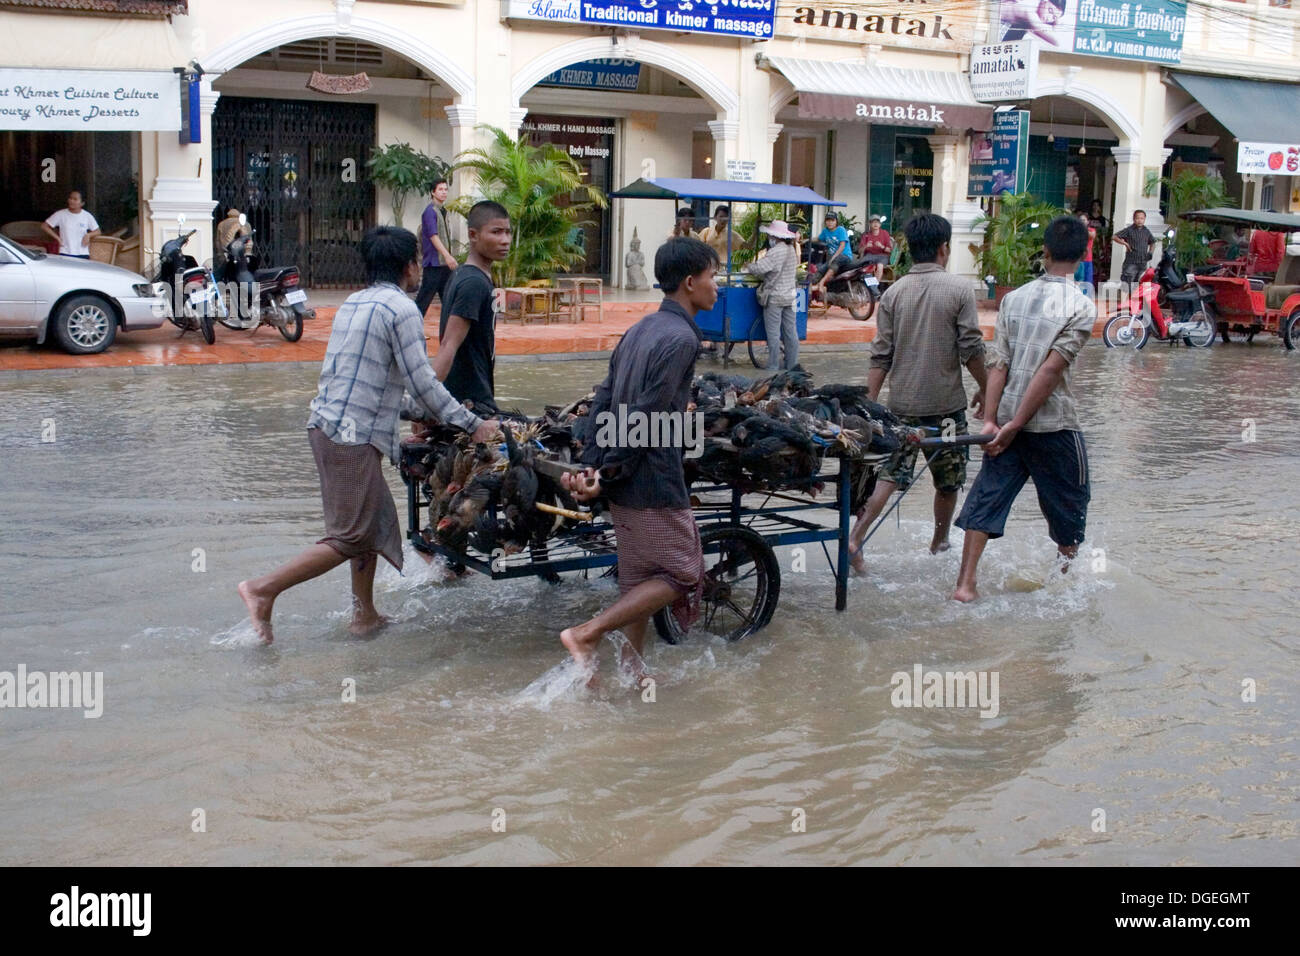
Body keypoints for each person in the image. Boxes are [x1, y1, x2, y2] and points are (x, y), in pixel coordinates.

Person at [237, 227, 500, 644]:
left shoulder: (354, 302)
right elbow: (426, 384)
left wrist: (425, 415)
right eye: (417, 260)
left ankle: (365, 615)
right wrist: (473, 424)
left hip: (328, 427)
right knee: (351, 535)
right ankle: (263, 590)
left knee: (372, 520)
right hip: (350, 437)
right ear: (411, 265)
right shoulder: (401, 309)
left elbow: (371, 383)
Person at [559, 236, 716, 678]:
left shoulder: (640, 328)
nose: (716, 287)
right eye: (712, 277)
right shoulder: (682, 337)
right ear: (690, 282)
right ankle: (587, 633)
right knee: (684, 572)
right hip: (651, 475)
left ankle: (633, 668)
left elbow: (603, 398)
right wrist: (608, 470)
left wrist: (594, 463)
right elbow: (649, 416)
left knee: (638, 575)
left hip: (623, 470)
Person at [952, 215, 1095, 603]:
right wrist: (1012, 423)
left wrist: (992, 421)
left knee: (986, 497)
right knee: (1070, 504)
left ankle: (966, 584)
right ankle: (1063, 580)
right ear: (1083, 255)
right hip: (1054, 425)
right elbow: (1051, 370)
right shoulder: (1081, 306)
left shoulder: (1013, 300)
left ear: (1044, 252)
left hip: (1005, 427)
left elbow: (998, 363)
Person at [847, 214, 987, 574]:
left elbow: (882, 354)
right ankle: (940, 541)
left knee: (892, 474)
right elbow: (971, 349)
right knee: (949, 480)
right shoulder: (959, 290)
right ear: (944, 248)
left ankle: (857, 537)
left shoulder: (893, 292)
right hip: (947, 410)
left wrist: (870, 403)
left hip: (901, 406)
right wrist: (989, 392)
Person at [434, 200, 511, 415]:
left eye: (507, 232)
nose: (505, 240)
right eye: (496, 232)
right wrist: (427, 404)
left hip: (470, 398)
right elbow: (448, 344)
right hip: (469, 403)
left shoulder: (463, 274)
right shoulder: (473, 283)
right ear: (473, 235)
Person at [745, 220, 800, 370]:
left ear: (775, 236)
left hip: (775, 298)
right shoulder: (791, 249)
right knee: (791, 332)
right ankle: (792, 365)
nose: (769, 238)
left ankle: (773, 365)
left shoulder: (776, 251)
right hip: (790, 297)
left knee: (774, 334)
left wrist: (748, 265)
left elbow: (759, 269)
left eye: (770, 235)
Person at [415, 178, 457, 319]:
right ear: (433, 192)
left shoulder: (443, 211)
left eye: (446, 189)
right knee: (424, 299)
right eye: (440, 189)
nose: (444, 192)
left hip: (443, 264)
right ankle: (411, 325)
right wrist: (447, 256)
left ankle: (450, 331)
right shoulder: (430, 212)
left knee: (448, 299)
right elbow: (433, 236)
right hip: (434, 263)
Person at [42, 190, 99, 258]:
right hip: (65, 252)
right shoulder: (60, 214)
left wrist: (88, 235)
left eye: (75, 199)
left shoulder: (87, 216)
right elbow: (44, 226)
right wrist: (58, 238)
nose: (71, 201)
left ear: (82, 203)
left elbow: (98, 231)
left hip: (83, 253)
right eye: (70, 198)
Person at [813, 211, 852, 296]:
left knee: (834, 262)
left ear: (836, 221)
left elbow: (842, 245)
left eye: (832, 220)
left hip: (845, 256)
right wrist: (807, 239)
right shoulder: (825, 231)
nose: (830, 222)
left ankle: (822, 283)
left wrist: (834, 256)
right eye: (828, 220)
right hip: (833, 259)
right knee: (821, 269)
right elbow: (818, 239)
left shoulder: (841, 230)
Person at [1113, 209, 1155, 285]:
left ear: (1144, 219)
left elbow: (1152, 242)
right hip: (1131, 262)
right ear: (1134, 219)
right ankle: (1124, 297)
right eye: (1137, 218)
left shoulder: (1146, 231)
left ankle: (1134, 297)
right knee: (1126, 285)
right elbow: (1114, 237)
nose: (1139, 220)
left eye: (1142, 218)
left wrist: (1151, 252)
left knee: (1140, 285)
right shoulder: (1129, 230)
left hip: (1143, 262)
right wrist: (1125, 243)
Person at [999, 0, 1066, 46]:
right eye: (1050, 10)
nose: (1049, 18)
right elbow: (1057, 41)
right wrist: (1056, 22)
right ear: (1044, 2)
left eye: (1053, 18)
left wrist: (1056, 20)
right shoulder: (1029, 12)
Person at [1073, 209, 1096, 289]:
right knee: (1075, 281)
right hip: (1077, 259)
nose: (1082, 222)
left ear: (1087, 222)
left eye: (1084, 220)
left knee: (1087, 281)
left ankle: (1087, 299)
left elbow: (1092, 236)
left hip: (1087, 259)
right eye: (1080, 220)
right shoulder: (1075, 231)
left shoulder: (1091, 230)